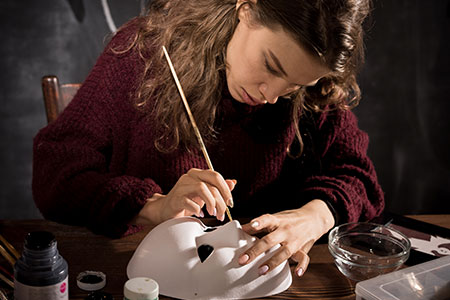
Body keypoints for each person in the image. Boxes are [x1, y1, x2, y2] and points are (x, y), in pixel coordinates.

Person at [33, 0, 384, 278]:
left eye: (295, 85)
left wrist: (315, 216)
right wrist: (156, 205)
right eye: (271, 65)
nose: (271, 95)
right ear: (246, 8)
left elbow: (358, 177)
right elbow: (56, 176)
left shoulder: (315, 87)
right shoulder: (144, 55)